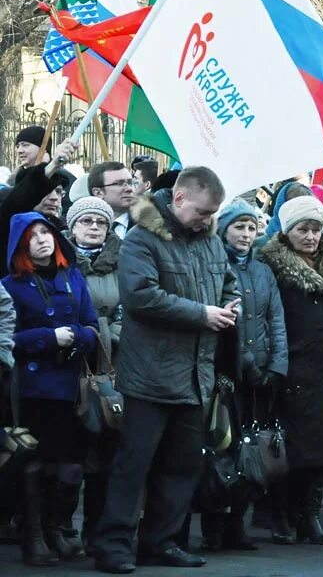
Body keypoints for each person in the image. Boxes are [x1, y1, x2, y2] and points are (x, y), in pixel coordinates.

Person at [92, 166, 238, 574]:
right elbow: (140, 297)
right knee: (133, 466)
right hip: (150, 375)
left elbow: (228, 281)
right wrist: (202, 314)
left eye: (213, 213)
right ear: (178, 199)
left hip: (196, 376)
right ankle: (114, 546)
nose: (209, 220)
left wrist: (231, 303)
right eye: (203, 212)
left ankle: (163, 542)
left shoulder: (209, 242)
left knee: (182, 467)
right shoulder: (141, 240)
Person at [259, 196, 323, 547]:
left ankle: (310, 515)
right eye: (303, 229)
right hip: (290, 366)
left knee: (322, 451)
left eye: (316, 229)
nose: (311, 236)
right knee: (288, 451)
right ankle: (280, 515)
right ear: (288, 231)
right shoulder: (270, 265)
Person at [3, 213, 99, 566]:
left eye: (47, 232)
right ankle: (34, 536)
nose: (43, 239)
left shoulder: (72, 276)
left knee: (71, 465)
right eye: (33, 235)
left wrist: (81, 336)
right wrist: (48, 338)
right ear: (19, 244)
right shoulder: (10, 285)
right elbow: (6, 337)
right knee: (36, 462)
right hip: (33, 388)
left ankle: (57, 529)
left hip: (73, 386)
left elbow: (91, 323)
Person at [200, 199, 288, 550]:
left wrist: (276, 366)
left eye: (252, 228)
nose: (247, 234)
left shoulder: (263, 269)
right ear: (224, 229)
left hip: (262, 373)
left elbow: (276, 319)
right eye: (239, 227)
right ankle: (213, 526)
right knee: (221, 448)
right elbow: (227, 324)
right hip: (228, 373)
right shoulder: (214, 264)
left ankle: (237, 522)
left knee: (250, 452)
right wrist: (249, 363)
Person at [65, 197, 122, 553]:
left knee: (106, 443)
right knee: (72, 448)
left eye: (100, 222)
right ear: (72, 228)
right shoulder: (60, 262)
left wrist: (114, 332)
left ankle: (95, 529)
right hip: (69, 360)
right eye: (86, 221)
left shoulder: (121, 261)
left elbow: (129, 305)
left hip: (111, 361)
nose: (94, 228)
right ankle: (62, 526)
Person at [0, 138, 78, 278]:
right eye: (46, 191)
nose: (54, 198)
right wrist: (53, 165)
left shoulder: (63, 232)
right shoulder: (10, 221)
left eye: (59, 192)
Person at [88, 162, 136, 240]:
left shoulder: (149, 226)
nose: (129, 189)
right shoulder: (82, 227)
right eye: (119, 183)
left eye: (130, 182)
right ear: (98, 193)